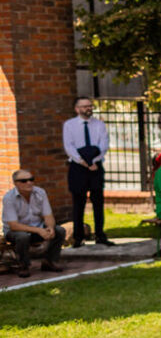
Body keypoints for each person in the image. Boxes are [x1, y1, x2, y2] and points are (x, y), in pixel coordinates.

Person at [63, 96, 113, 247]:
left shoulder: (99, 125)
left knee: (98, 201)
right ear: (77, 109)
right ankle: (78, 238)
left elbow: (103, 145)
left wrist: (94, 161)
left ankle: (100, 235)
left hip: (96, 166)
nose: (88, 108)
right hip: (78, 167)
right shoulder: (69, 125)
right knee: (78, 203)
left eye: (90, 106)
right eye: (84, 106)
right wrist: (83, 162)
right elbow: (69, 147)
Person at [2, 170, 66, 277]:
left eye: (31, 179)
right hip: (15, 232)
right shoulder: (9, 198)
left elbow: (48, 215)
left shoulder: (40, 192)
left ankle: (49, 262)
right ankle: (23, 265)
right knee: (22, 237)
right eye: (24, 181)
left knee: (59, 230)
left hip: (38, 228)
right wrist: (39, 230)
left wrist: (50, 227)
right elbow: (14, 225)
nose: (29, 183)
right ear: (15, 183)